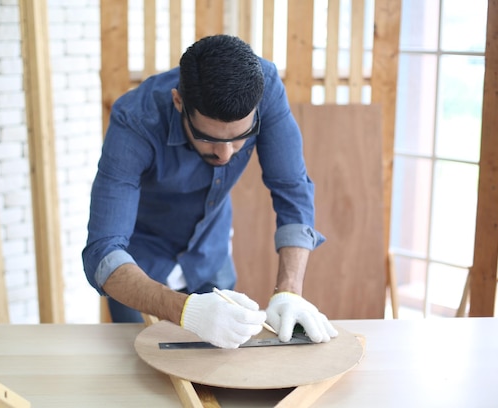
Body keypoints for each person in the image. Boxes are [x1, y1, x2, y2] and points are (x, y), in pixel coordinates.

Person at [82, 34, 337, 349]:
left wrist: (289, 292)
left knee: (218, 368)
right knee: (145, 372)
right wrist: (186, 309)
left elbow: (292, 191)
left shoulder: (266, 88)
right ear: (179, 103)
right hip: (139, 266)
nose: (227, 155)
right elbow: (102, 251)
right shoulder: (135, 121)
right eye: (208, 138)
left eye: (241, 137)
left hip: (210, 252)